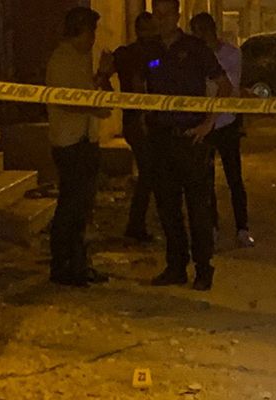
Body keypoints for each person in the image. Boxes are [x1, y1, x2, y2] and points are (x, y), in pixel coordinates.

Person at [144, 0, 233, 292]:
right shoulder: (150, 50)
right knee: (167, 208)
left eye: (166, 14)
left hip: (191, 139)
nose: (160, 20)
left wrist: (209, 123)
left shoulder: (195, 49)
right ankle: (176, 266)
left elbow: (224, 85)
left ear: (177, 16)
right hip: (161, 139)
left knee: (198, 209)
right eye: (156, 15)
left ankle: (203, 268)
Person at [45, 7, 113, 287]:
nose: (93, 38)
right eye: (90, 32)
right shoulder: (61, 60)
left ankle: (79, 263)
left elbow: (91, 92)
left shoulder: (84, 58)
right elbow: (66, 101)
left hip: (86, 140)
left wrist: (103, 76)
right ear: (78, 31)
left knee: (83, 207)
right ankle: (64, 265)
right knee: (71, 206)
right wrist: (94, 108)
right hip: (69, 142)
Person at [189, 12, 254, 249]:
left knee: (233, 177)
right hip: (203, 123)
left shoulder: (231, 54)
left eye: (202, 31)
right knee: (206, 180)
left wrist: (211, 120)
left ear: (212, 30)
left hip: (226, 122)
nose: (200, 37)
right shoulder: (194, 56)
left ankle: (242, 228)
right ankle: (212, 226)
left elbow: (227, 88)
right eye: (195, 32)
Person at [110, 12, 160, 244]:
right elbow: (105, 73)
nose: (153, 33)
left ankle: (140, 222)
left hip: (150, 120)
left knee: (152, 172)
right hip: (138, 122)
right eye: (149, 29)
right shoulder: (131, 54)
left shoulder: (150, 54)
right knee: (149, 172)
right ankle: (136, 224)